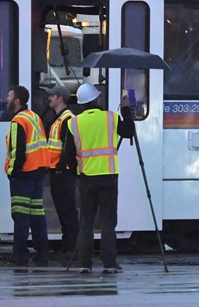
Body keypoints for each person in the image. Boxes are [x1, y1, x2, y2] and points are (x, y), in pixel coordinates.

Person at [65, 82, 135, 274]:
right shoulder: (111, 117)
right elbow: (129, 131)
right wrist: (127, 110)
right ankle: (109, 263)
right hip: (109, 177)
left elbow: (67, 155)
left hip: (86, 178)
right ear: (96, 99)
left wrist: (78, 173)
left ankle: (85, 263)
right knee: (107, 221)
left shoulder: (73, 123)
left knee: (86, 221)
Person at [5, 85, 51, 267]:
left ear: (17, 100)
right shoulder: (34, 117)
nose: (7, 99)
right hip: (38, 173)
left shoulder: (18, 121)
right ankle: (42, 252)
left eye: (9, 95)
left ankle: (20, 254)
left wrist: (11, 172)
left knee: (20, 215)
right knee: (37, 215)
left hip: (23, 174)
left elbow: (18, 151)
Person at [44, 83, 79, 256]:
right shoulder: (59, 118)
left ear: (60, 98)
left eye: (52, 95)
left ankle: (73, 246)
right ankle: (68, 243)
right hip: (57, 170)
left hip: (62, 171)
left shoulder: (67, 118)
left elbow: (68, 146)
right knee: (63, 208)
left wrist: (59, 166)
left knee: (67, 209)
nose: (49, 98)